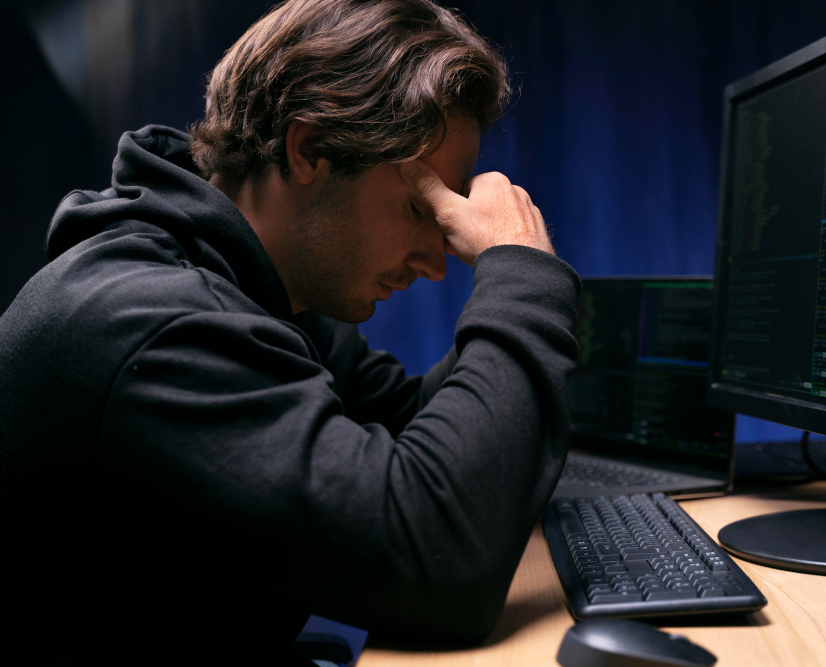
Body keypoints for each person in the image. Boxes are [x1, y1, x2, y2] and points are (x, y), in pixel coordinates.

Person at [0, 0, 580, 664]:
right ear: (309, 150)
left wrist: (519, 285)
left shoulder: (266, 295)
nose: (435, 259)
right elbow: (437, 558)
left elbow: (420, 431)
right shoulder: (150, 326)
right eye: (420, 208)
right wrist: (522, 277)